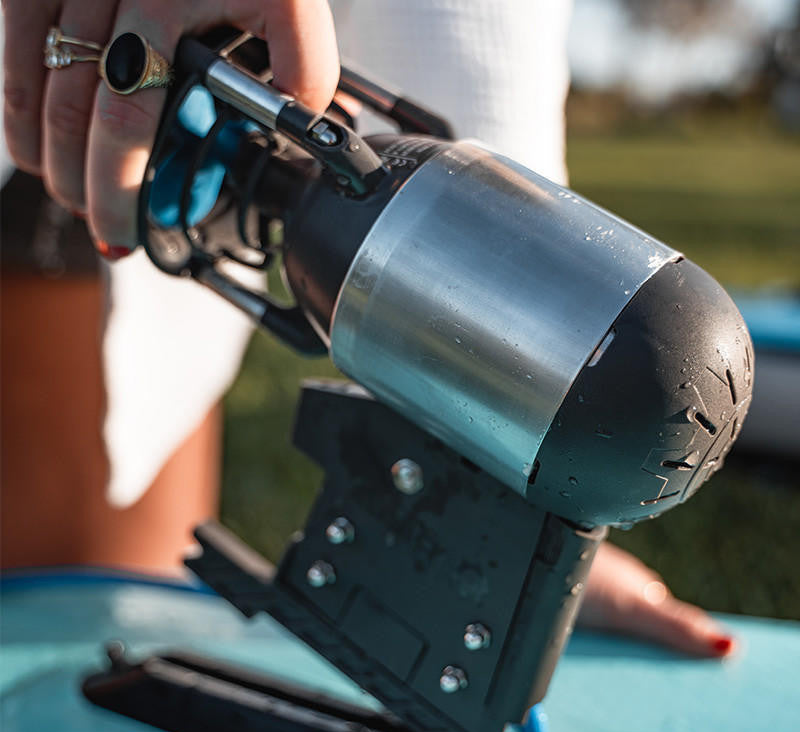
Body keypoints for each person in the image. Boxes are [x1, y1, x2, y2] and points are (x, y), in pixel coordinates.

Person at [1, 0, 734, 659]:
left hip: (146, 131)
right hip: (71, 94)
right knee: (64, 634)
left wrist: (513, 517)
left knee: (102, 635)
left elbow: (472, 32)